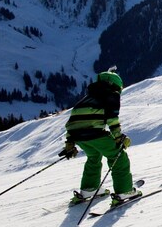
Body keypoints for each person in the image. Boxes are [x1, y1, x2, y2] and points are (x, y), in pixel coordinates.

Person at [59, 70, 141, 206]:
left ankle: (89, 190)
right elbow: (112, 118)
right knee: (118, 156)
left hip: (78, 136)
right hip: (95, 134)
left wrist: (70, 143)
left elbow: (72, 123)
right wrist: (118, 137)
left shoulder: (85, 99)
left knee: (94, 156)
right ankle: (124, 191)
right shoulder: (110, 95)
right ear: (115, 85)